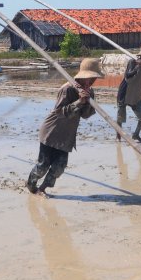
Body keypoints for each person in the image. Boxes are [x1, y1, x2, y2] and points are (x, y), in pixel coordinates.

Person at [26, 58, 104, 196]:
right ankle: (31, 185)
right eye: (90, 78)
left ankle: (42, 189)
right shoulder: (67, 89)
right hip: (52, 131)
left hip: (67, 135)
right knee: (43, 165)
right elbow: (60, 113)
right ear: (83, 76)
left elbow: (86, 115)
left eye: (94, 79)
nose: (92, 82)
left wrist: (87, 102)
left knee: (59, 167)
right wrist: (79, 101)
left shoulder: (90, 92)